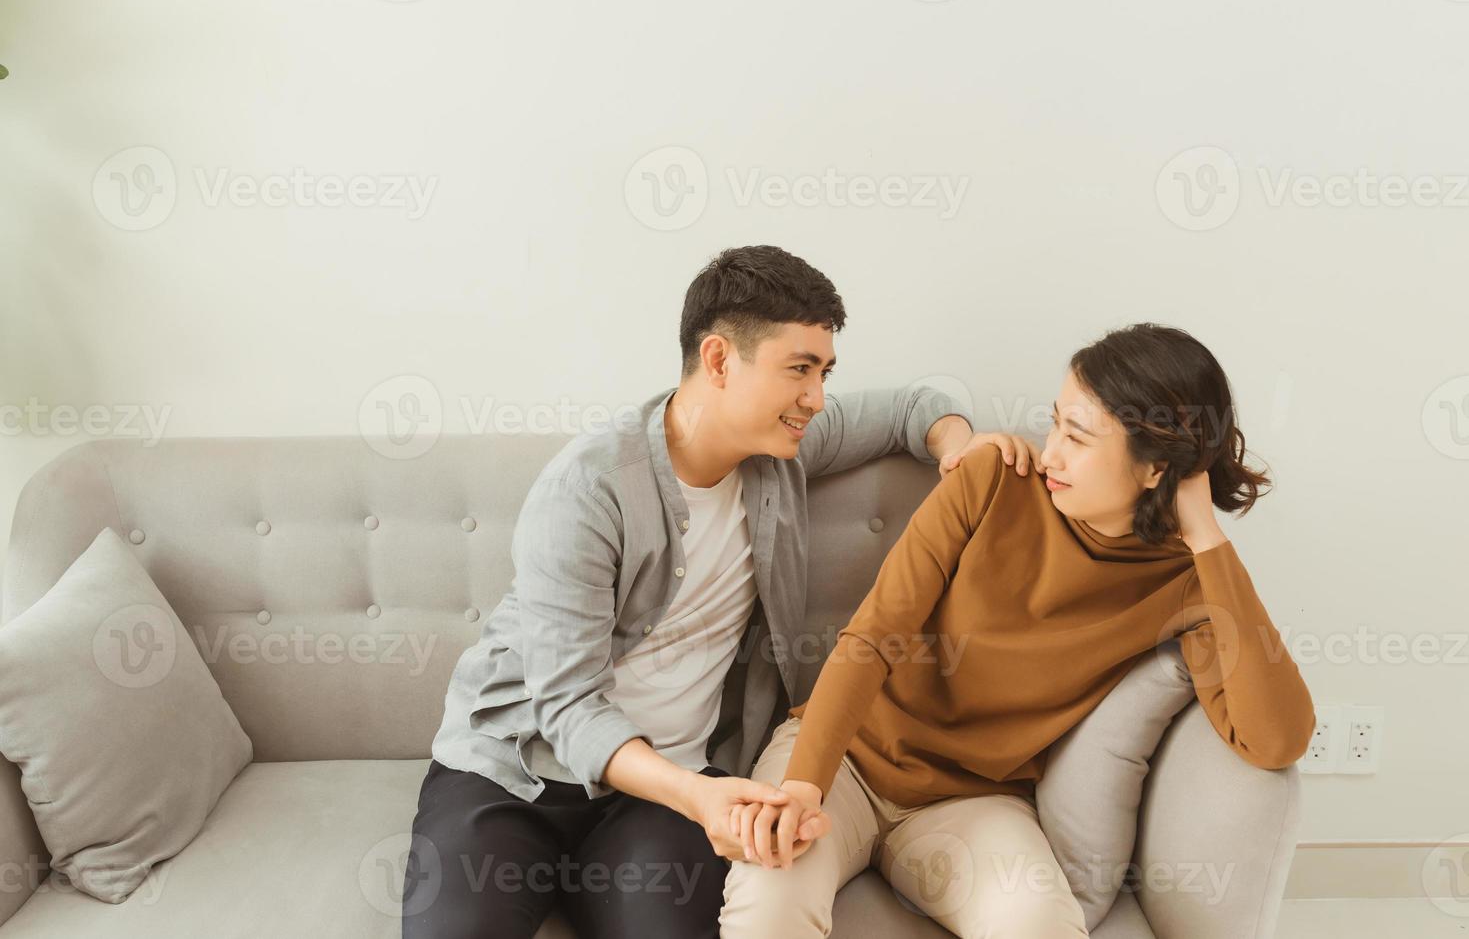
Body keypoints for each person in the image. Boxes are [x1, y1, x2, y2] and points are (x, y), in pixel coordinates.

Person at [403, 244, 1036, 938]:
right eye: (798, 370)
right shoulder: (586, 489)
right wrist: (701, 799)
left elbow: (912, 406)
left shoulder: (781, 454)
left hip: (662, 795)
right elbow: (568, 706)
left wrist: (955, 444)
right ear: (717, 360)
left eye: (824, 372)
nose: (815, 399)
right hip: (515, 773)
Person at [719, 322, 1316, 939]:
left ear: (1156, 466)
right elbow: (873, 636)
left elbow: (1275, 740)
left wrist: (1207, 539)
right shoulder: (994, 480)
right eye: (1055, 421)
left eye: (1078, 438)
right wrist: (804, 787)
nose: (1050, 451)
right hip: (840, 759)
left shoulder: (1187, 584)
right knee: (769, 901)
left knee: (1039, 925)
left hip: (969, 804)